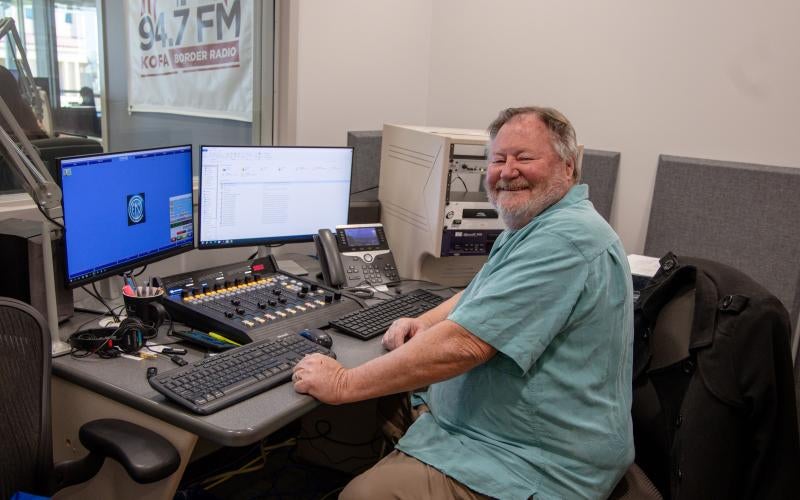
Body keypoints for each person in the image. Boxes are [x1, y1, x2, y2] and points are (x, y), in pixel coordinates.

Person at [292, 106, 634, 499]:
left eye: (524, 158)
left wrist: (343, 382)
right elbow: (477, 292)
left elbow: (465, 345)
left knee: (360, 494)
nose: (507, 170)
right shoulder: (538, 224)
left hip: (534, 461)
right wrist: (425, 320)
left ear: (568, 168)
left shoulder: (564, 240)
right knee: (380, 398)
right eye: (498, 159)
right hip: (507, 431)